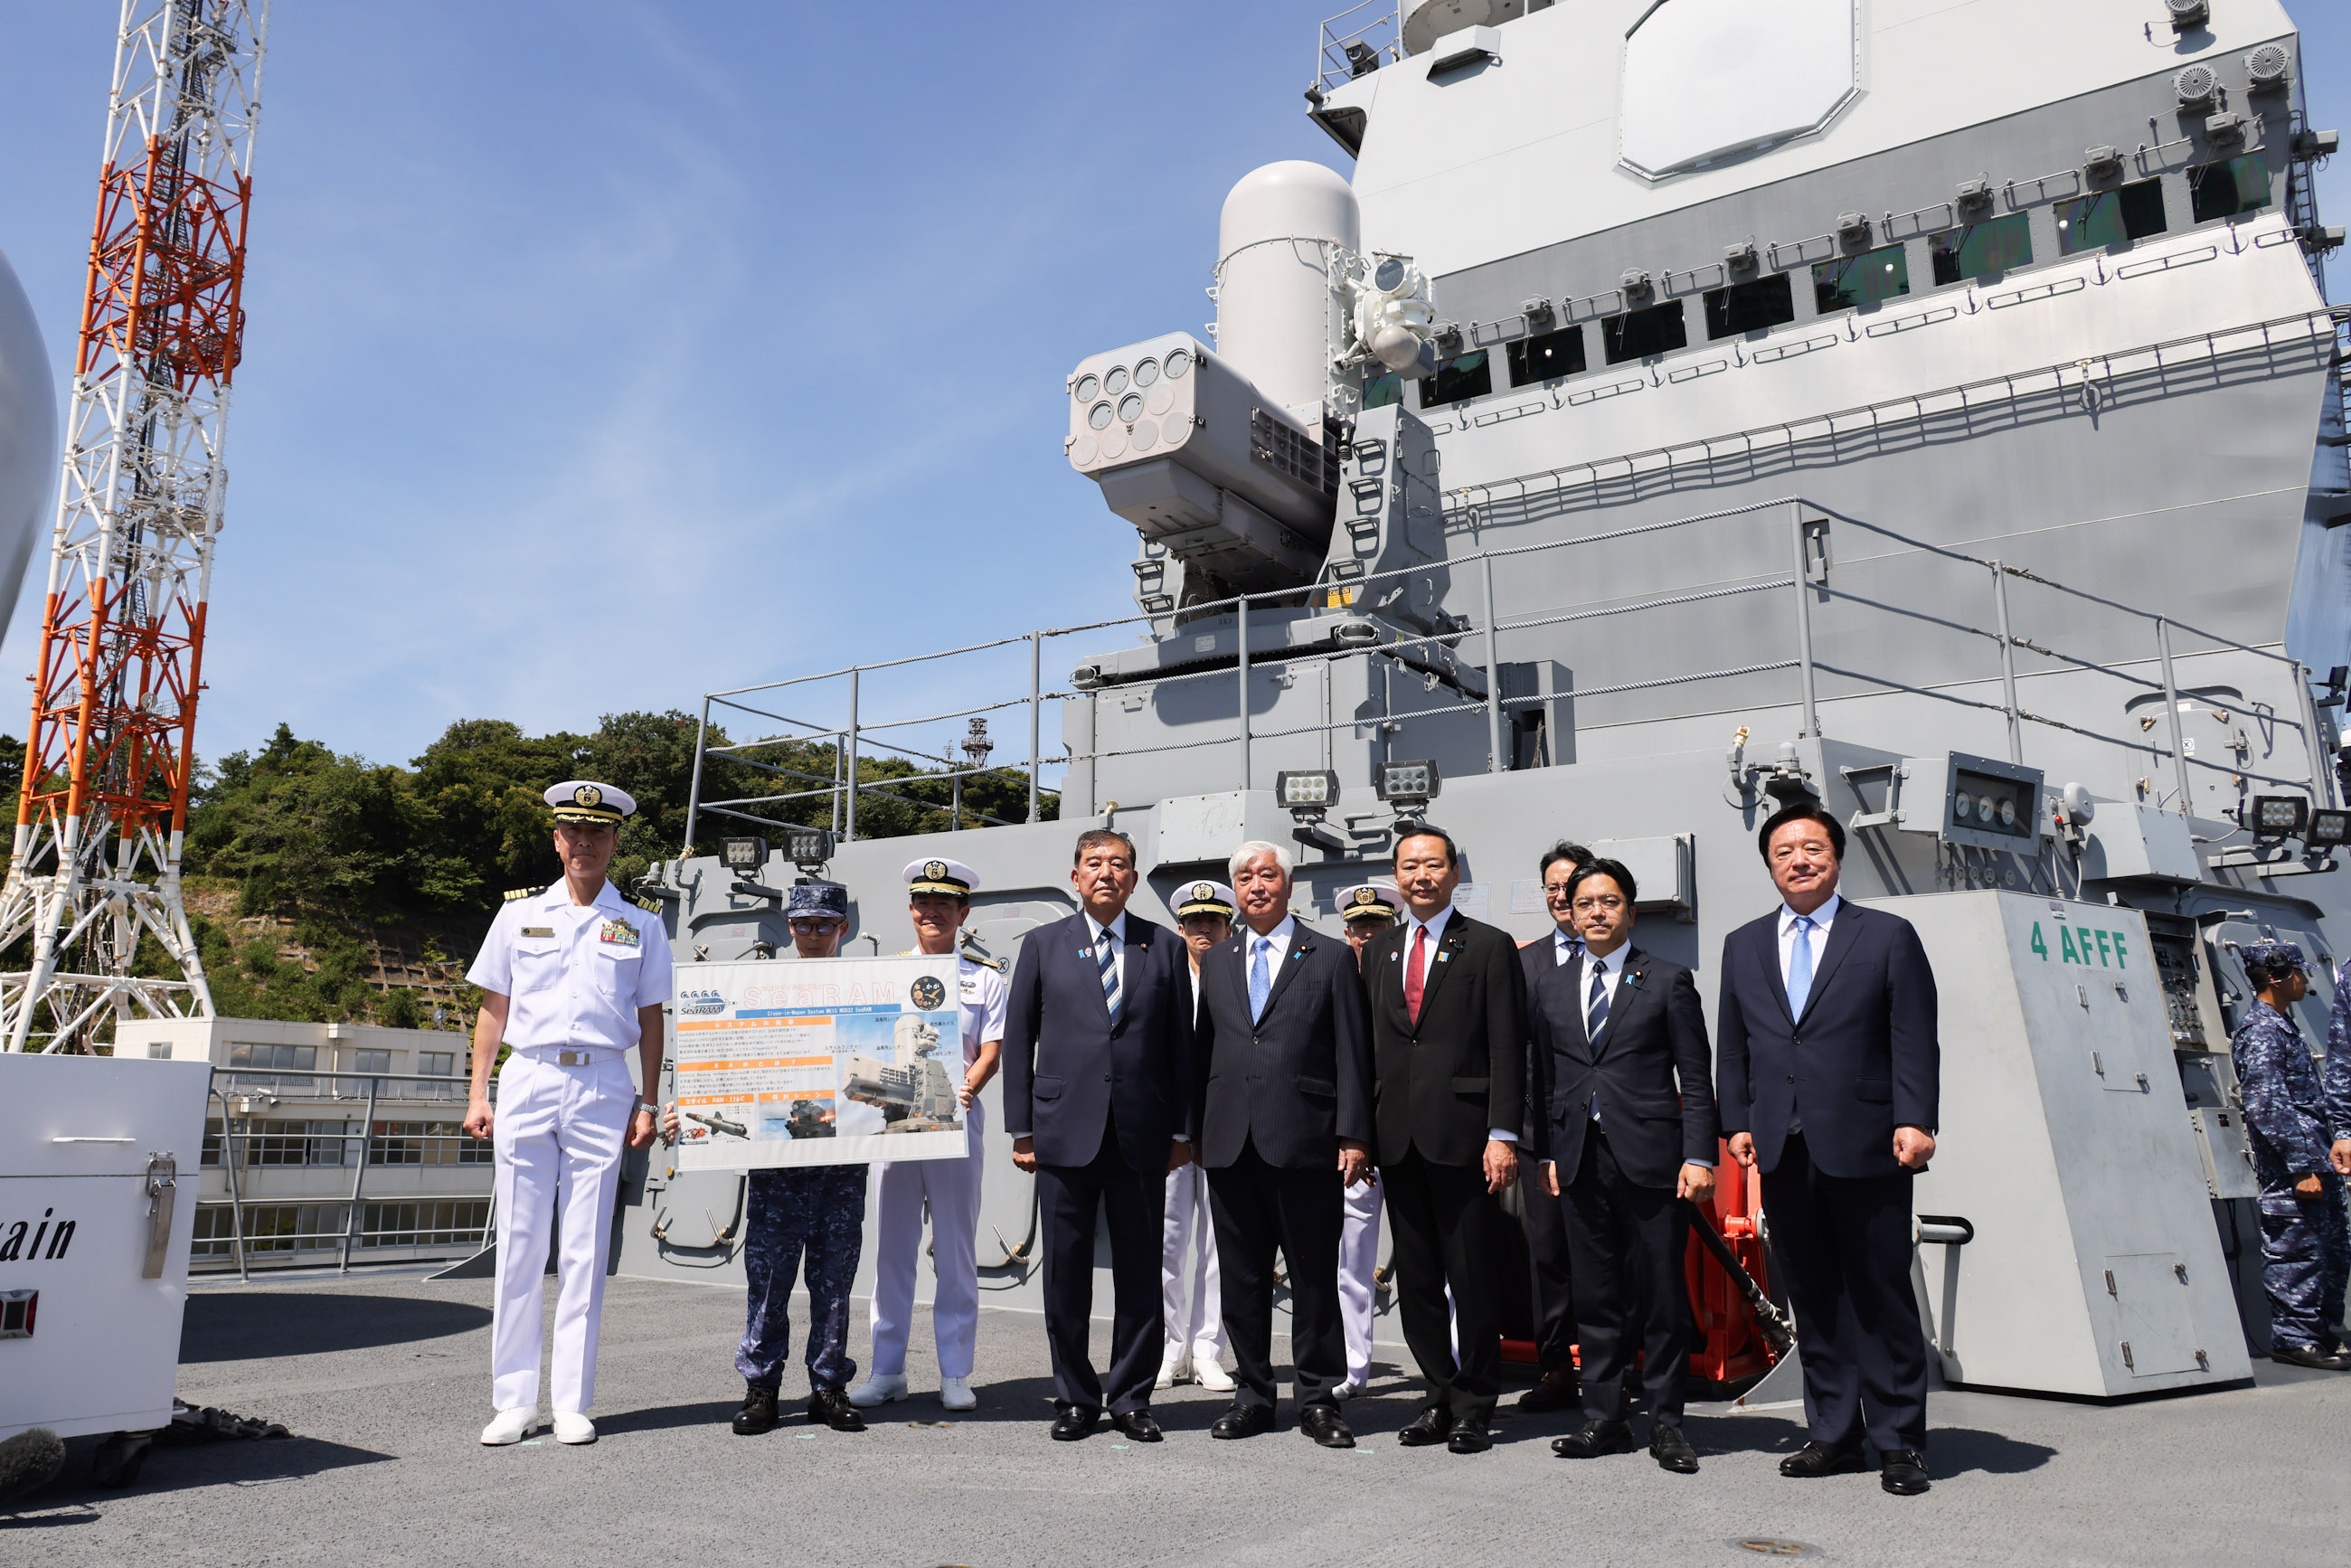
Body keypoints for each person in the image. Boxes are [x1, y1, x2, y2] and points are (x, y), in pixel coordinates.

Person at [1717, 799, 1940, 1497]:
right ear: (1769, 865)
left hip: (1869, 1138)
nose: (1799, 860)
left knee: (1878, 1290)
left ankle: (1898, 1440)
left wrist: (1917, 1117)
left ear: (1836, 858)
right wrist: (1735, 1121)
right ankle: (1834, 1433)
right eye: (1784, 852)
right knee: (1812, 1294)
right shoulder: (1744, 943)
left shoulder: (1886, 935)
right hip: (1782, 1142)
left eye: (1812, 848)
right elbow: (1736, 1042)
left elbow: (1913, 1036)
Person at [465, 781, 670, 1447]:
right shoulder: (518, 913)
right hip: (528, 1075)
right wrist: (478, 1092)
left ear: (615, 842)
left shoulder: (641, 922)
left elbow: (649, 1018)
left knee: (584, 1247)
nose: (584, 844)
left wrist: (648, 1099)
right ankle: (513, 1401)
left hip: (604, 1083)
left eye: (598, 834)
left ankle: (573, 1401)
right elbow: (493, 1007)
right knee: (520, 1244)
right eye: (573, 833)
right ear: (556, 840)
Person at [1001, 828, 1196, 1442]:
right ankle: (1077, 1396)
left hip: (1141, 1134)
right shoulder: (1041, 945)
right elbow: (1017, 1040)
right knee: (1066, 1273)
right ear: (1076, 876)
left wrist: (1183, 1131)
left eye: (1119, 864)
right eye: (1095, 864)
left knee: (1141, 1272)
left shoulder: (1162, 945)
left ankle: (1133, 1396)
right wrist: (1022, 1128)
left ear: (1134, 880)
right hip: (1062, 1133)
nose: (1107, 873)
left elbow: (1181, 1048)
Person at [663, 882, 873, 1437]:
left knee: (834, 1281)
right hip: (777, 1161)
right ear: (790, 929)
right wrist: (685, 1108)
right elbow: (720, 1051)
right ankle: (762, 1387)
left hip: (841, 1161)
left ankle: (829, 1385)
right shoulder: (754, 986)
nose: (812, 935)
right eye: (802, 925)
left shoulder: (868, 986)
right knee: (770, 1277)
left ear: (842, 929)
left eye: (824, 925)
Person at [1529, 857, 1717, 1474]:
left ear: (1631, 912)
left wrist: (1698, 1154)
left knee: (1661, 1293)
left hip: (1653, 1160)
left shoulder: (1666, 980)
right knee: (1596, 1293)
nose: (1597, 913)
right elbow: (1543, 1076)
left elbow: (1695, 1074)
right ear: (1571, 912)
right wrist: (1549, 1150)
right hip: (1580, 1157)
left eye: (1609, 902)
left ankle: (1666, 1422)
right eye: (1585, 904)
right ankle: (1604, 1417)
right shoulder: (1550, 985)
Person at [1193, 842, 1375, 1448]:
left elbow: (1353, 1049)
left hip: (1306, 1140)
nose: (1255, 886)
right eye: (1244, 877)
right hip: (1229, 1143)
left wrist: (1355, 1134)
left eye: (1266, 875)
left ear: (1289, 885)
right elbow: (1204, 1053)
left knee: (1314, 1276)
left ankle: (1319, 1400)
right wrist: (1193, 1132)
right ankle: (1252, 1396)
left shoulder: (1327, 956)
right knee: (1241, 1279)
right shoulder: (1217, 961)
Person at [1359, 825, 1527, 1454]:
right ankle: (1437, 1397)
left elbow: (1509, 1046)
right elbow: (1368, 1050)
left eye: (1433, 864)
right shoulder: (1378, 952)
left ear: (1454, 872)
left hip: (1465, 1140)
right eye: (1409, 866)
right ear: (1396, 877)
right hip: (1396, 1139)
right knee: (1420, 1280)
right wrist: (1360, 1135)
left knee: (1472, 1275)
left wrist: (1503, 1133)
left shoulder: (1487, 946)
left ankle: (1476, 1403)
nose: (1420, 876)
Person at [849, 858, 1007, 1412]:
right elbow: (862, 1041)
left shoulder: (984, 978)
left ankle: (956, 1371)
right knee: (892, 1250)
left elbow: (991, 1048)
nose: (933, 911)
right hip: (892, 1123)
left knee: (957, 1251)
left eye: (946, 903)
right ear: (911, 909)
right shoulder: (884, 974)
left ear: (964, 913)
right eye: (924, 902)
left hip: (956, 1120)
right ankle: (886, 1369)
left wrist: (967, 1087)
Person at [2233, 942, 2351, 1369]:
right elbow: (2267, 1106)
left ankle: (2319, 1333)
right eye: (2300, 972)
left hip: (2316, 1160)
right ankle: (2293, 1338)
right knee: (2298, 1252)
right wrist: (2301, 1167)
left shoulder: (2284, 1027)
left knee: (2329, 1250)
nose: (2305, 979)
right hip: (2294, 1170)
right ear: (2279, 976)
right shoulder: (2261, 1031)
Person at [1514, 841, 1591, 1415]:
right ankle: (1556, 1370)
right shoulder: (1523, 963)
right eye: (1551, 887)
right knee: (1548, 1257)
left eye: (1570, 884)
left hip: (1605, 1135)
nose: (1560, 896)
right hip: (1540, 1137)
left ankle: (1613, 1366)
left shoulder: (1623, 958)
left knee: (1610, 1255)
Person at [1161, 879, 1238, 1393]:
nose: (1203, 928)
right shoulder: (1161, 980)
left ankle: (1209, 1348)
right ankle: (1169, 1347)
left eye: (1213, 920)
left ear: (1227, 926)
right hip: (1169, 1135)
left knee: (1219, 1246)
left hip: (1225, 1131)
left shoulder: (1239, 976)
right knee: (1165, 1244)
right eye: (1194, 921)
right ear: (1181, 928)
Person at [1335, 883, 1398, 1400]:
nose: (1366, 935)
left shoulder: (1408, 978)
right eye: (1358, 928)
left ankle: (1452, 1366)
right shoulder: (1333, 978)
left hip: (1407, 1136)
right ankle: (1354, 1368)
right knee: (1352, 1256)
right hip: (1354, 1143)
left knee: (1434, 1259)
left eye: (1376, 925)